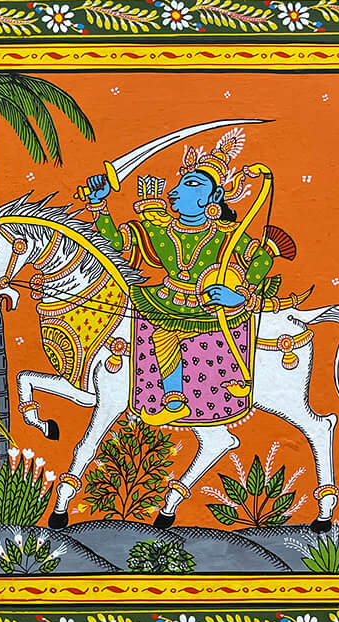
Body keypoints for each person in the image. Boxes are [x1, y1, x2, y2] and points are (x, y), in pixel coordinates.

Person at [82, 129, 293, 425]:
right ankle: (173, 400)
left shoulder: (226, 233)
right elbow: (116, 242)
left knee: (180, 333)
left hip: (211, 305)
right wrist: (99, 205)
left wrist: (240, 294)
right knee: (157, 333)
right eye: (180, 184)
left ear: (214, 196)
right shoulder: (158, 228)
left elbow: (261, 259)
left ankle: (223, 385)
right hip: (167, 300)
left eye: (192, 184)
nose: (175, 191)